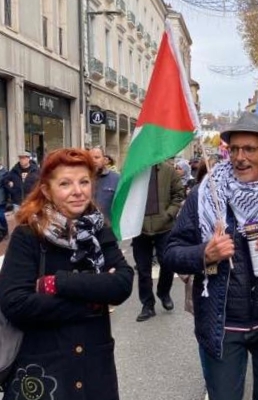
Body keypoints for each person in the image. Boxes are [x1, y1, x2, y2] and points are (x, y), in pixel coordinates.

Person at [164, 112, 258, 400]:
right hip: (223, 324)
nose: (240, 157)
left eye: (249, 149)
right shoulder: (206, 196)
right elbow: (170, 253)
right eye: (234, 149)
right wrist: (205, 253)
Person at [0, 148, 134, 399]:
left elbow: (122, 283)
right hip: (43, 372)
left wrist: (58, 283)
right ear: (47, 190)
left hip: (95, 370)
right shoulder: (28, 235)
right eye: (65, 183)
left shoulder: (98, 230)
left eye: (84, 182)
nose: (77, 191)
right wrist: (93, 299)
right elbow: (15, 303)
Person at [133, 161, 185, 322]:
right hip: (140, 229)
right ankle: (147, 305)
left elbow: (179, 195)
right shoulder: (134, 171)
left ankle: (163, 292)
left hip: (164, 228)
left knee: (168, 263)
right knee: (143, 269)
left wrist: (168, 214)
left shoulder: (169, 171)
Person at [89, 147, 120, 223]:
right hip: (86, 230)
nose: (93, 160)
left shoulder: (116, 179)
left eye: (97, 157)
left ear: (104, 160)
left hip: (109, 228)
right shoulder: (81, 179)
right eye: (90, 158)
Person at [0, 159, 9, 240]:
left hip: (1, 198)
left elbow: (7, 186)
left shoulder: (5, 172)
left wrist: (8, 198)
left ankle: (5, 230)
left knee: (1, 216)